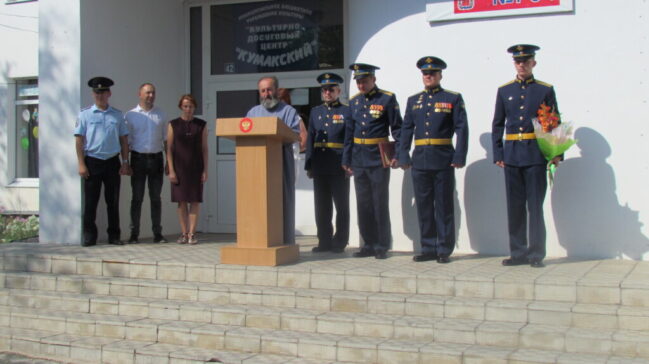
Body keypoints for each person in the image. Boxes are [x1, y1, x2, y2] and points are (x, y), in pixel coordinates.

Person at [492, 44, 561, 268]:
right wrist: (498, 153)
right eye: (518, 61)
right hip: (512, 155)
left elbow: (552, 122)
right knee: (515, 207)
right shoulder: (505, 90)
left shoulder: (544, 90)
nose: (521, 64)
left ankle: (536, 254)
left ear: (533, 63)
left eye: (526, 60)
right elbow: (498, 124)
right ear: (515, 64)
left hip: (534, 155)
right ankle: (518, 252)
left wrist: (556, 152)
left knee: (534, 206)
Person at [399, 57, 469, 263]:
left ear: (440, 75)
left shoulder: (452, 98)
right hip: (420, 159)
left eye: (432, 73)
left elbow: (461, 129)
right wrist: (403, 153)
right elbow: (406, 129)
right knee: (424, 205)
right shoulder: (414, 101)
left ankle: (444, 249)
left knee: (444, 205)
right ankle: (428, 247)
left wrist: (459, 155)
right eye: (425, 73)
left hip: (443, 158)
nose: (428, 76)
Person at [342, 63, 402, 259]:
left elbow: (397, 129)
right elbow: (349, 133)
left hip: (378, 157)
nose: (361, 85)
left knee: (379, 202)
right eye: (358, 82)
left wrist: (397, 154)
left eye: (364, 81)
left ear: (373, 80)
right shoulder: (354, 102)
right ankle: (368, 243)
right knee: (363, 203)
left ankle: (382, 245)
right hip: (359, 158)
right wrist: (347, 158)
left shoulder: (387, 98)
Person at [74, 76, 130, 246]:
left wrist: (125, 161)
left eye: (103, 92)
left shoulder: (117, 115)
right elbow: (78, 140)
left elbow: (123, 140)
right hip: (93, 161)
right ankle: (89, 236)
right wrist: (81, 163)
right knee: (91, 201)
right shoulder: (85, 114)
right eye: (97, 92)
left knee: (112, 201)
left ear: (109, 93)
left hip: (112, 161)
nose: (100, 95)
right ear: (93, 94)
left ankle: (114, 235)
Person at [246, 76, 301, 245]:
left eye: (269, 89)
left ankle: (285, 241)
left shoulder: (288, 111)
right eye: (263, 91)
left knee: (283, 202)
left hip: (281, 163)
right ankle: (258, 240)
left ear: (276, 90)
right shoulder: (252, 113)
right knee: (258, 202)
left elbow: (294, 135)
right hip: (257, 166)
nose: (266, 94)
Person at [305, 73, 351, 253]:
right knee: (322, 206)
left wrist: (347, 162)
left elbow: (348, 140)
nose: (327, 92)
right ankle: (324, 240)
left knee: (341, 206)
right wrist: (309, 164)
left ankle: (340, 241)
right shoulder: (316, 112)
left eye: (331, 89)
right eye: (324, 89)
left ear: (338, 91)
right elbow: (310, 139)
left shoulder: (346, 111)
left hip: (339, 165)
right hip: (320, 165)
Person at [125, 83, 168, 244]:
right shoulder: (130, 115)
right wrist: (125, 162)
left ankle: (157, 233)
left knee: (156, 198)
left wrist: (168, 161)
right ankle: (134, 234)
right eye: (148, 92)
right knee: (137, 198)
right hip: (138, 160)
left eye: (153, 93)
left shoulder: (161, 114)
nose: (151, 95)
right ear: (140, 94)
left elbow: (166, 141)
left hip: (157, 159)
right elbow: (126, 142)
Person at [166, 94, 208, 245]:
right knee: (181, 201)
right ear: (180, 107)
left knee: (195, 201)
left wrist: (205, 170)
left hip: (196, 168)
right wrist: (171, 170)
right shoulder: (173, 124)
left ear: (194, 107)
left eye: (191, 106)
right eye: (185, 106)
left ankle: (192, 234)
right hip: (178, 168)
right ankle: (183, 233)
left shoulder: (201, 125)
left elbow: (204, 148)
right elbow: (169, 148)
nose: (188, 109)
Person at [277, 88, 308, 153]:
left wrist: (291, 149)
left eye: (280, 100)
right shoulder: (269, 118)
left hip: (291, 158)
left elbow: (304, 141)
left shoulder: (294, 117)